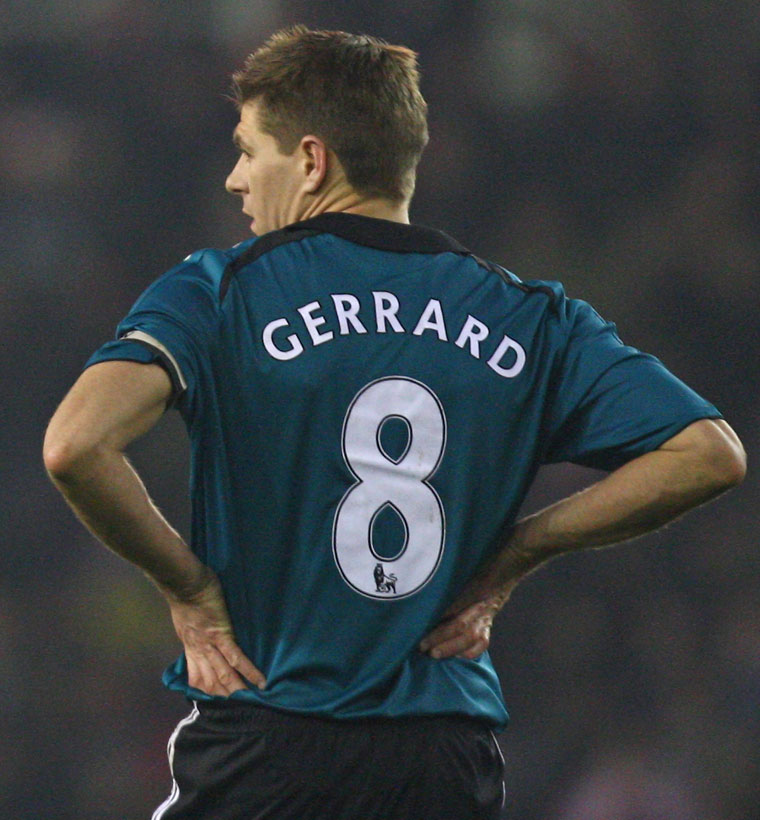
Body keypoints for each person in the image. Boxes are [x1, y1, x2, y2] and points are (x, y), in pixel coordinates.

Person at [43, 25, 746, 820]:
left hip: (273, 738)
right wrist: (521, 551)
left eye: (248, 150)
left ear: (312, 161)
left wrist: (188, 588)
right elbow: (708, 453)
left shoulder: (223, 291)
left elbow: (75, 445)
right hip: (445, 756)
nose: (236, 180)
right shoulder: (527, 317)